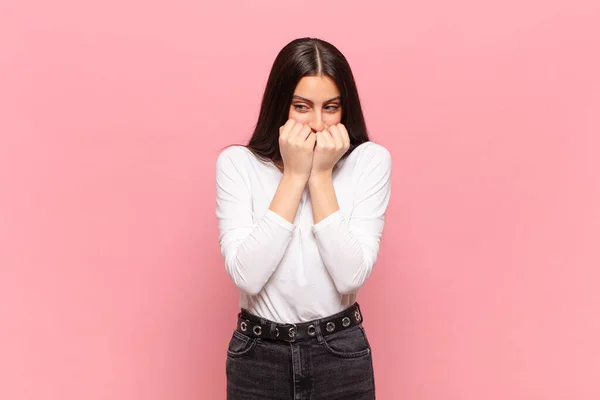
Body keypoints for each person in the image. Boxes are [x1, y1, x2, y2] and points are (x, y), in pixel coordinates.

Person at [215, 37, 392, 399]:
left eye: (331, 108)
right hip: (258, 357)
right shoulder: (238, 165)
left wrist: (320, 175)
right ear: (280, 105)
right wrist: (295, 175)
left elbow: (349, 276)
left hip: (339, 353)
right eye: (301, 106)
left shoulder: (369, 161)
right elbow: (247, 277)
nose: (316, 123)